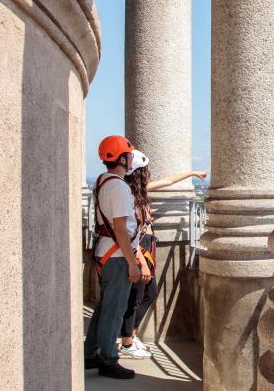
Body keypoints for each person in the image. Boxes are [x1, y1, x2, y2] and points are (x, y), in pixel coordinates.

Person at [116, 151, 207, 360]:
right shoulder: (128, 196)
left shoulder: (139, 192)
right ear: (138, 172)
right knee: (136, 297)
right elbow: (130, 232)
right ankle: (127, 342)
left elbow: (168, 181)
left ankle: (130, 335)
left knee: (148, 292)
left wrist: (193, 173)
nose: (149, 173)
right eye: (146, 170)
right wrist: (141, 262)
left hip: (145, 245)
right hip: (138, 248)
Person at [83, 135, 141, 380]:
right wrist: (132, 263)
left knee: (104, 308)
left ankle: (90, 353)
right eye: (128, 156)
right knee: (114, 311)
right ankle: (108, 359)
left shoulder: (102, 181)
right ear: (121, 158)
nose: (131, 160)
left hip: (106, 253)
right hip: (117, 257)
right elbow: (120, 229)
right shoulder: (118, 186)